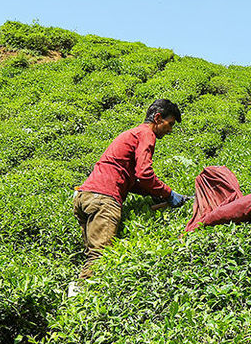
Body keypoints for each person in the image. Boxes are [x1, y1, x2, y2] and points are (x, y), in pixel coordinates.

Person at [72, 99, 189, 278]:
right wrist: (168, 193)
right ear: (158, 118)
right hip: (104, 199)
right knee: (100, 258)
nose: (170, 130)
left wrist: (154, 193)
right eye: (170, 124)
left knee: (91, 255)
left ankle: (77, 295)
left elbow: (133, 180)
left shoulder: (132, 133)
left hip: (84, 197)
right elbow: (144, 174)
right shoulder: (146, 134)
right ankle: (82, 300)